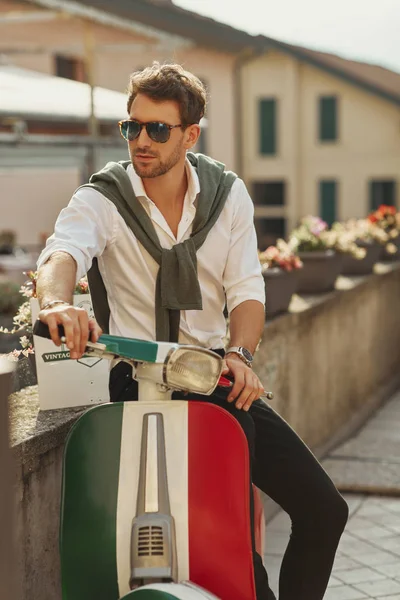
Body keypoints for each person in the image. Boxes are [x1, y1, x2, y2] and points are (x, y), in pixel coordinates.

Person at [36, 62, 348, 600]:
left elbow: (248, 290)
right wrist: (59, 302)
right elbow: (62, 252)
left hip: (215, 378)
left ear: (190, 134)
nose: (141, 141)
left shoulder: (227, 196)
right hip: (136, 385)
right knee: (226, 541)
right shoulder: (103, 198)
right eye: (132, 126)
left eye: (158, 130)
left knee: (325, 510)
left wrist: (241, 355)